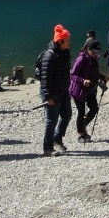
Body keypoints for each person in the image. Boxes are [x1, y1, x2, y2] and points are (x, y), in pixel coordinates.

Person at [39, 24, 72, 156]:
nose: (69, 42)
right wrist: (48, 97)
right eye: (67, 40)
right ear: (60, 41)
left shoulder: (64, 53)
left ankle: (57, 139)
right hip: (52, 93)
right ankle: (47, 147)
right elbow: (45, 78)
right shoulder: (49, 55)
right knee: (51, 120)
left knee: (67, 115)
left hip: (63, 91)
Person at [69, 40, 108, 142]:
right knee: (81, 112)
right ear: (88, 49)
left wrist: (103, 77)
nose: (96, 54)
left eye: (97, 52)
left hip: (90, 88)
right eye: (94, 51)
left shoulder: (94, 59)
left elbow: (94, 73)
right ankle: (81, 134)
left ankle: (82, 127)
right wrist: (82, 80)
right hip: (79, 89)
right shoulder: (81, 59)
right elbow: (73, 75)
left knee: (94, 109)